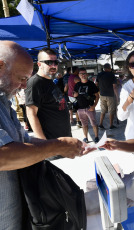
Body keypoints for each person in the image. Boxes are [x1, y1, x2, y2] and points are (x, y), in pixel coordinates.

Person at [0, 41, 87, 230]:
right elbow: (3, 156)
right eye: (21, 78)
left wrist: (62, 145)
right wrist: (55, 146)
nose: (24, 86)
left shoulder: (4, 102)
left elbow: (23, 139)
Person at [25, 48, 72, 141]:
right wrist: (44, 144)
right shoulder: (35, 83)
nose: (53, 65)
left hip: (64, 140)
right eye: (49, 62)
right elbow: (31, 114)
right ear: (39, 64)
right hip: (52, 144)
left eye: (56, 62)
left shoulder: (49, 80)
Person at [73, 68, 100, 143]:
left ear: (87, 74)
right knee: (84, 124)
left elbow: (97, 96)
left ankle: (96, 137)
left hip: (89, 108)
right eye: (81, 74)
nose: (83, 75)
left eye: (84, 73)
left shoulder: (91, 84)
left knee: (94, 123)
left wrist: (94, 106)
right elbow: (74, 94)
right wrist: (74, 95)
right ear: (79, 75)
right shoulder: (77, 85)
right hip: (80, 108)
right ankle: (85, 137)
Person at [96, 63, 119, 130]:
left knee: (103, 110)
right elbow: (114, 87)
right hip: (110, 95)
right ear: (109, 68)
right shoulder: (112, 75)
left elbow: (96, 84)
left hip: (102, 95)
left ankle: (100, 124)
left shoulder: (99, 74)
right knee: (111, 111)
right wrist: (117, 96)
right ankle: (111, 125)